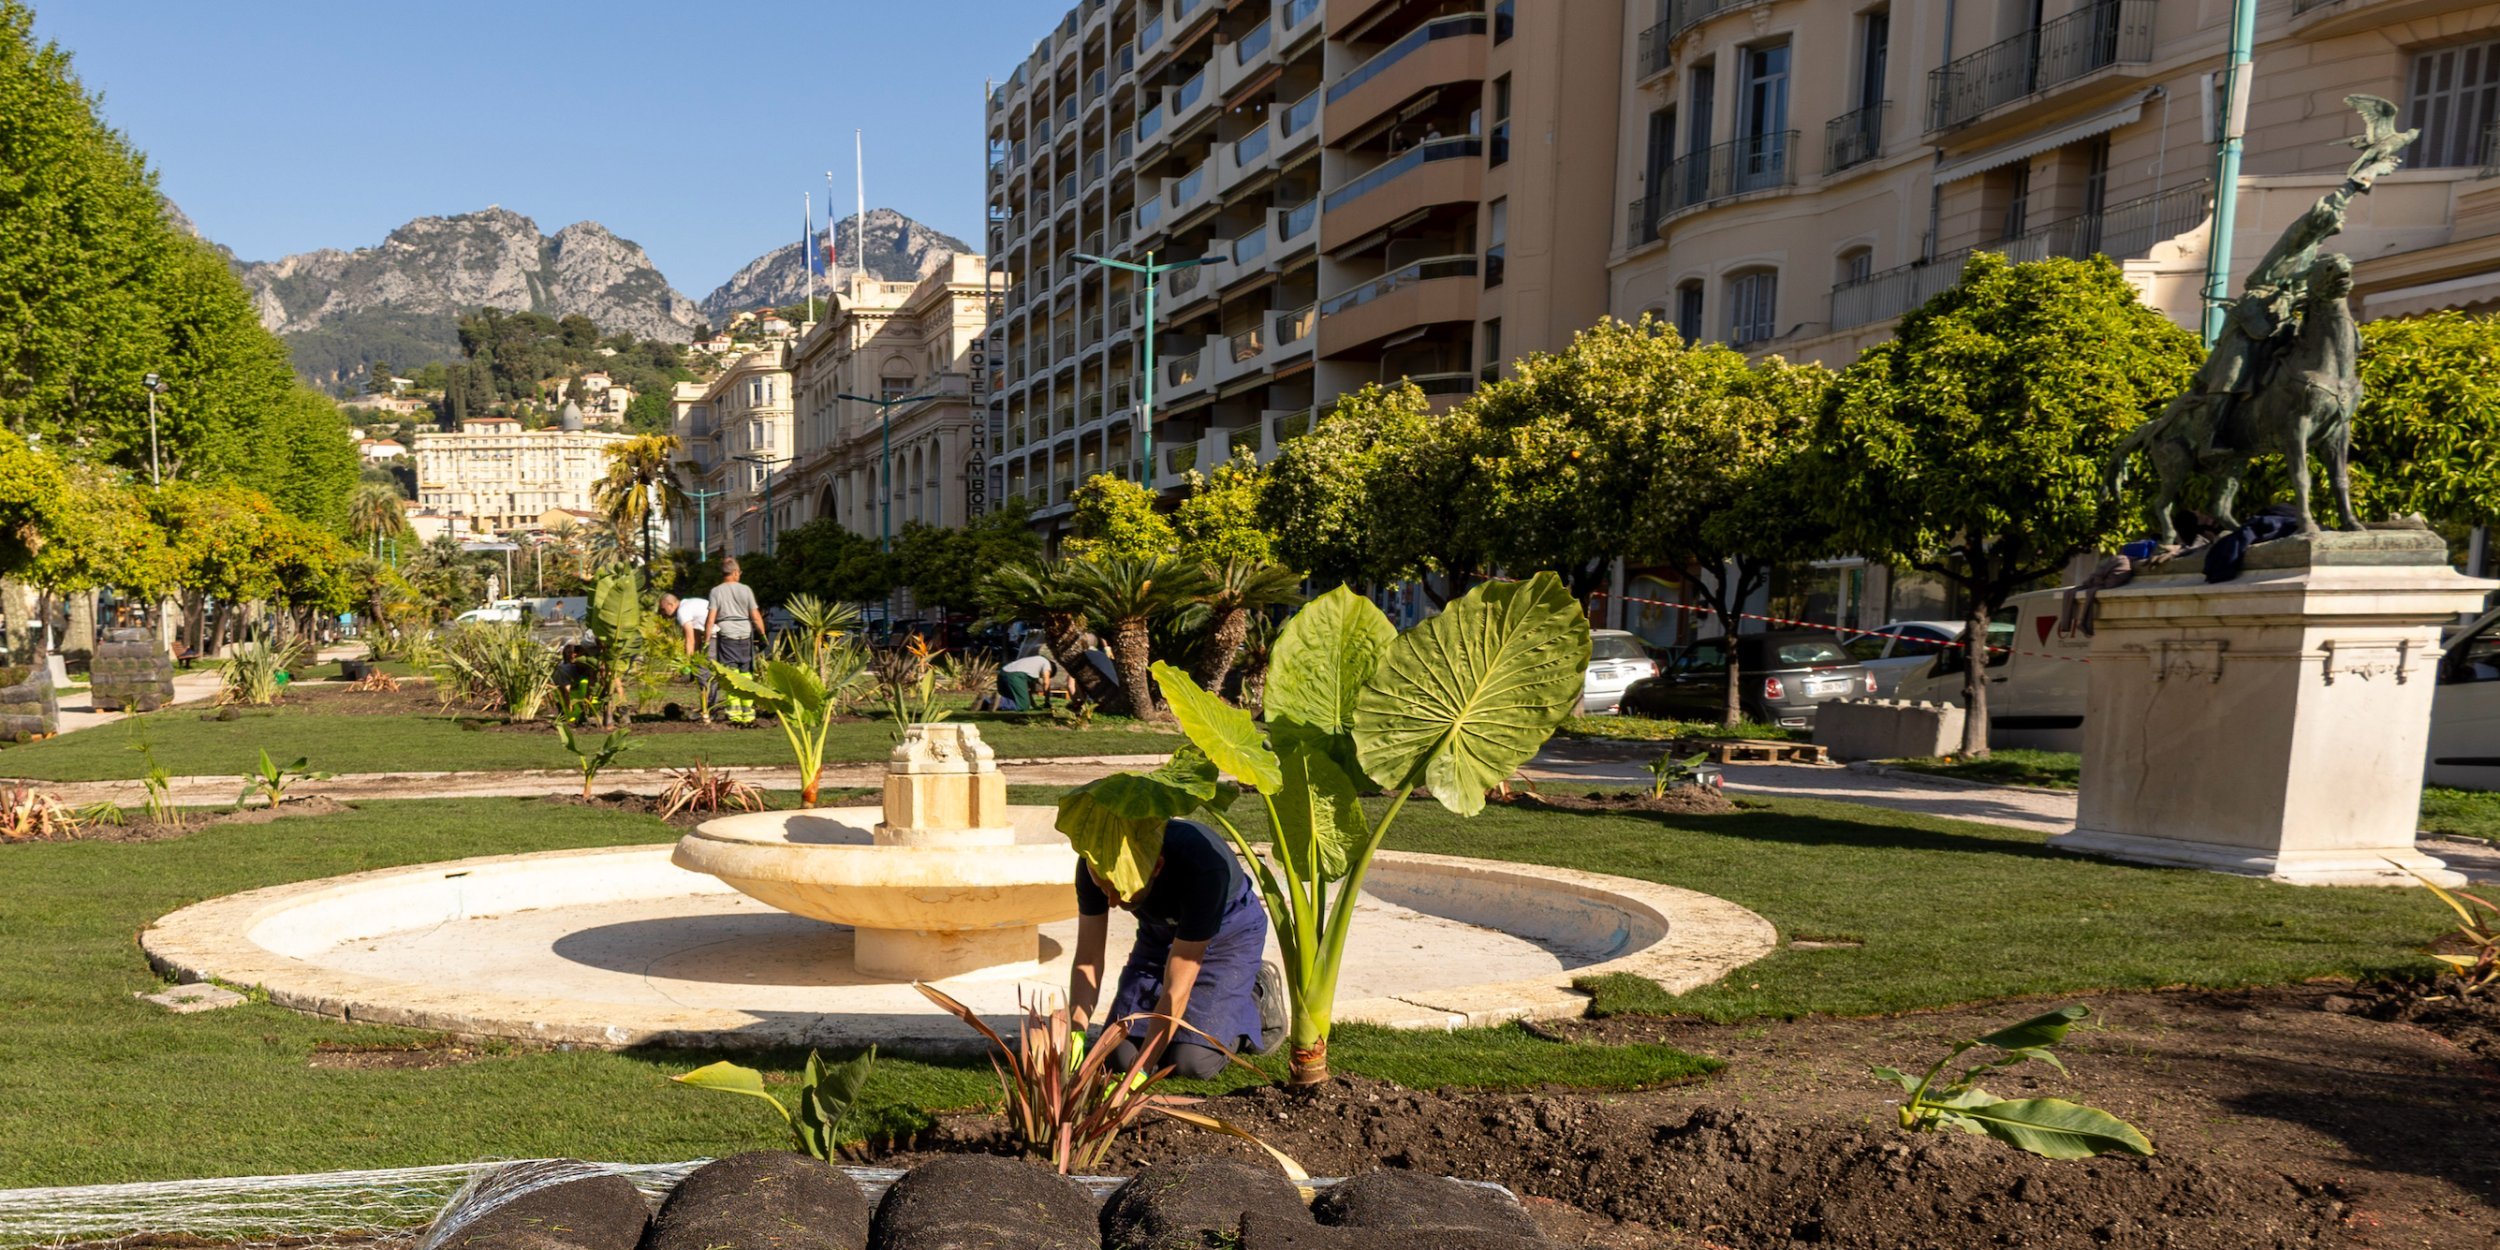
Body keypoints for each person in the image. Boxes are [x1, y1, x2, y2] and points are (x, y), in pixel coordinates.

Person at [1069, 818, 1287, 1080]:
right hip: (1160, 935)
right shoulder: (1095, 859)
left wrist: (1142, 1072)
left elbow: (1178, 986)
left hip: (1228, 937)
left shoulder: (1203, 868)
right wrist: (1075, 1033)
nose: (1113, 902)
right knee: (1119, 1055)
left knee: (1190, 1062)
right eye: (1104, 889)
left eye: (1121, 891)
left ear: (1157, 866)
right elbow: (1089, 958)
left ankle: (1254, 995)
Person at [704, 561, 767, 725]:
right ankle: (748, 713)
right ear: (735, 573)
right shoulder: (746, 590)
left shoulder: (716, 591)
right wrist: (763, 635)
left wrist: (706, 641)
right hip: (745, 634)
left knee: (731, 673)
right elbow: (755, 615)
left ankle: (735, 714)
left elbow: (711, 619)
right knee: (746, 672)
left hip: (727, 635)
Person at [657, 590, 714, 720]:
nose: (663, 613)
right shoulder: (689, 604)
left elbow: (690, 639)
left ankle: (710, 710)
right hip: (714, 636)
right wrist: (696, 656)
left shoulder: (682, 611)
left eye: (663, 609)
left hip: (716, 636)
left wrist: (687, 664)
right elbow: (696, 635)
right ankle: (708, 707)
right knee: (704, 672)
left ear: (670, 604)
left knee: (703, 675)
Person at [997, 650, 1062, 712]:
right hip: (1015, 675)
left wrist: (1034, 706)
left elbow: (1028, 692)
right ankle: (1000, 702)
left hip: (1002, 673)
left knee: (1013, 699)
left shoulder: (1034, 664)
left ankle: (988, 702)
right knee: (1022, 706)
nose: (1041, 677)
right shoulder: (1046, 663)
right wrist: (1047, 702)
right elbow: (1046, 683)